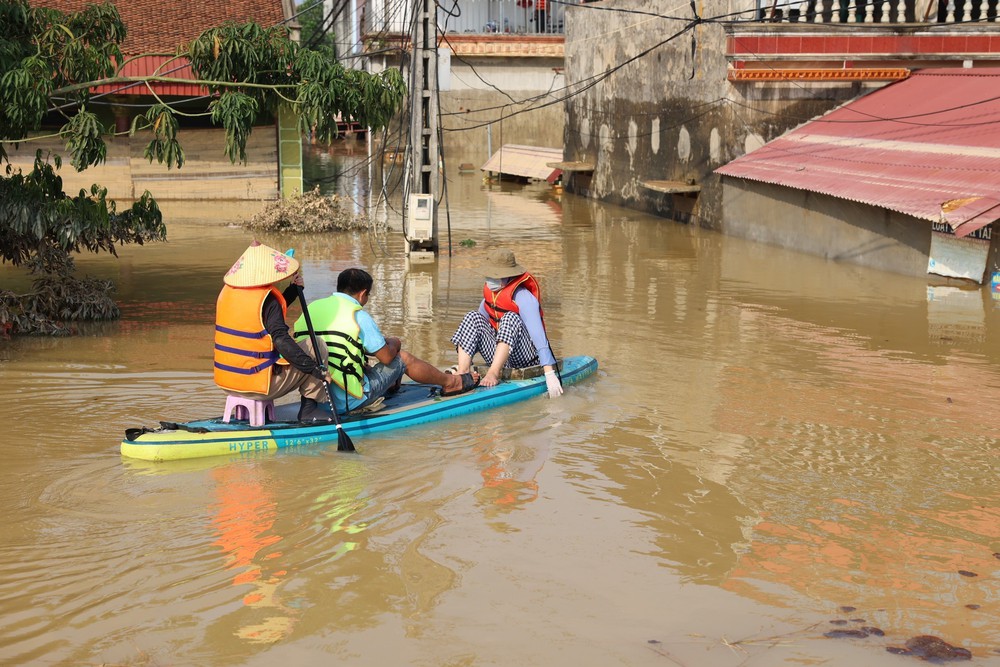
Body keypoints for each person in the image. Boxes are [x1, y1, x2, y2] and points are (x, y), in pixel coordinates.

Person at [293, 267, 480, 416]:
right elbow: (386, 357)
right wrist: (394, 342)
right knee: (402, 358)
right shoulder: (356, 314)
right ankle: (451, 382)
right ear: (362, 294)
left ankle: (390, 385)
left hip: (316, 400)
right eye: (367, 296)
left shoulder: (312, 308)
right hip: (348, 401)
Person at [213, 241, 334, 423]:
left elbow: (264, 315)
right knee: (316, 344)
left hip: (228, 384)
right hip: (259, 386)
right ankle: (309, 410)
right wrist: (316, 370)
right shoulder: (267, 300)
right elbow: (281, 340)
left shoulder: (228, 293)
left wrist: (293, 290)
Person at [450, 248, 563, 398]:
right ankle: (462, 373)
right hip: (500, 355)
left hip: (524, 358)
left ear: (508, 275)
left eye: (495, 275)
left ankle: (493, 373)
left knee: (510, 317)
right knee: (472, 316)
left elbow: (538, 336)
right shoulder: (490, 296)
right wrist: (465, 363)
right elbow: (475, 329)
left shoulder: (523, 296)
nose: (490, 279)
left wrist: (549, 374)